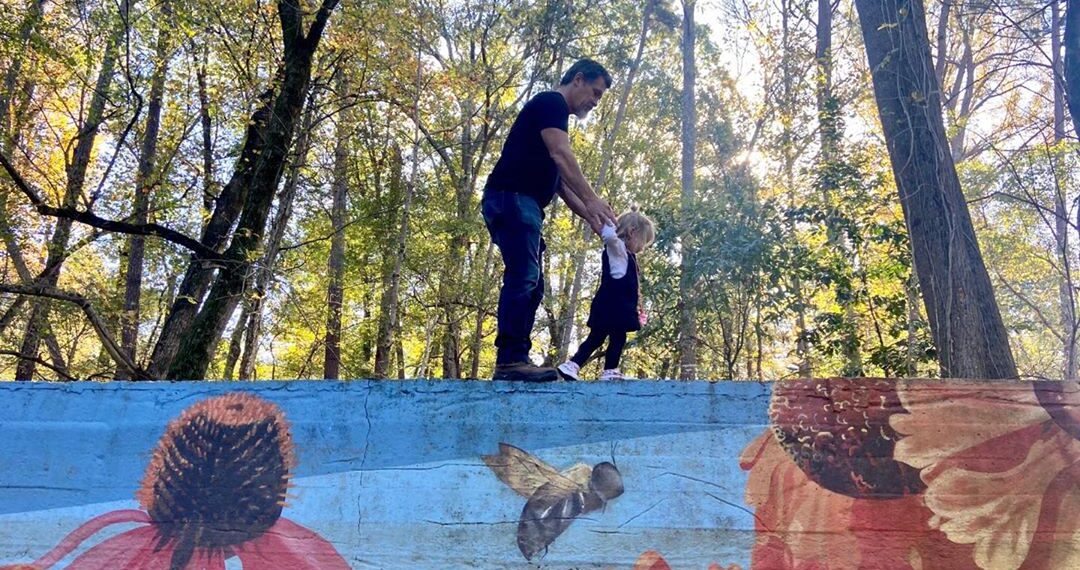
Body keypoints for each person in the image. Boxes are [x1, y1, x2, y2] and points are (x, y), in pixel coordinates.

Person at [482, 58, 618, 381]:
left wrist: (592, 216)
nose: (595, 102)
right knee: (525, 275)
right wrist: (593, 198)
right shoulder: (551, 103)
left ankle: (517, 358)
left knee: (534, 283)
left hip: (521, 203)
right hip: (511, 198)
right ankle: (509, 360)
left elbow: (561, 185)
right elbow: (562, 154)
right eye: (595, 93)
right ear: (578, 79)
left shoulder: (553, 119)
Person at [557, 208, 655, 381]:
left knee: (607, 338)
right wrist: (608, 221)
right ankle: (590, 368)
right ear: (632, 232)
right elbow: (610, 237)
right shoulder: (618, 250)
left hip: (614, 307)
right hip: (612, 307)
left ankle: (586, 367)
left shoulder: (628, 256)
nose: (642, 248)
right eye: (642, 242)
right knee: (606, 337)